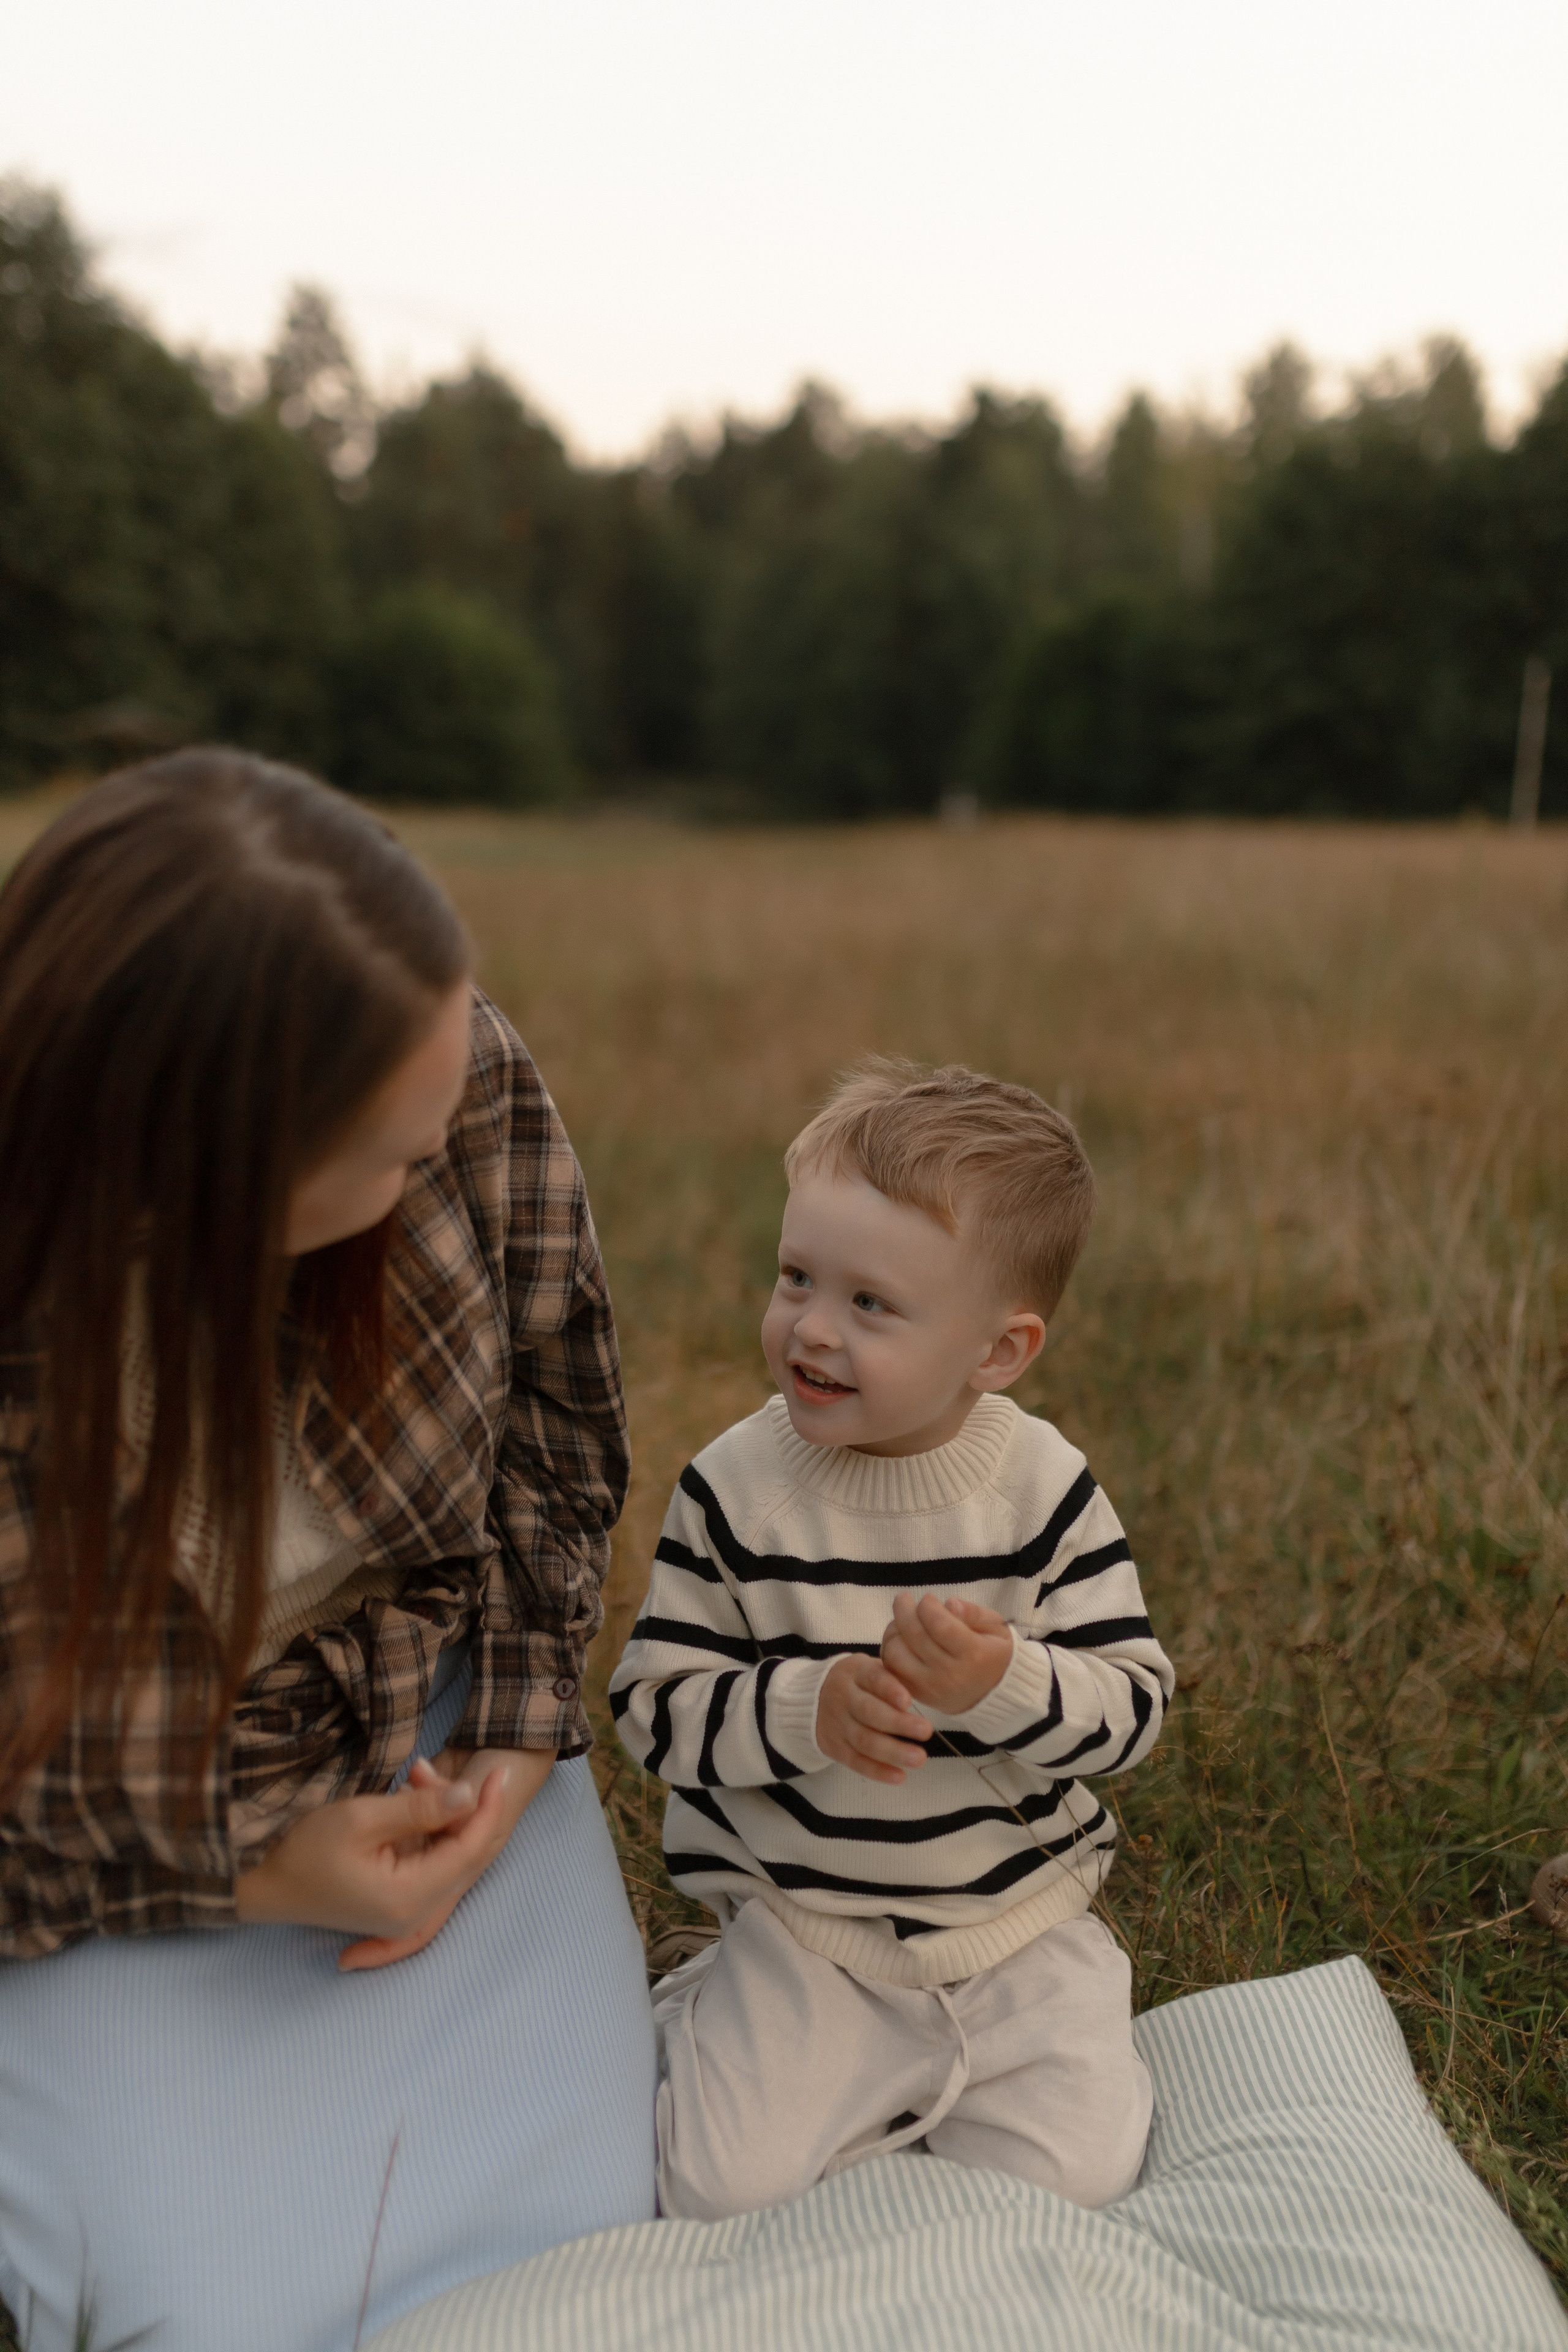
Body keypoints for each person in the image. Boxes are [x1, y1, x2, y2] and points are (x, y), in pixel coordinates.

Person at [0, 751, 655, 2352]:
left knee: (571, 2252)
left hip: (427, 1735)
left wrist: (510, 1727)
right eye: (388, 1149)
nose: (445, 1152)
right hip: (86, 1842)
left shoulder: (453, 1071)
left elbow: (555, 1436)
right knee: (201, 2308)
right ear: (198, 1165)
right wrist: (233, 1867)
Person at [611, 1060, 1174, 2221]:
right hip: (806, 1927)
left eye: (870, 1304)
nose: (811, 1327)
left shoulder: (1041, 1493)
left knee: (1078, 2177)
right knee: (716, 2189)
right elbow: (650, 1712)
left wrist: (1001, 1679)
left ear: (998, 1351)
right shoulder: (737, 1490)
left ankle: (963, 2078)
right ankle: (718, 2001)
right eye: (796, 1277)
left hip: (1015, 1922)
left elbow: (1133, 1714)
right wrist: (801, 1711)